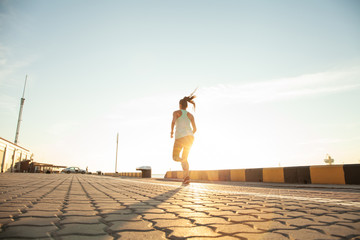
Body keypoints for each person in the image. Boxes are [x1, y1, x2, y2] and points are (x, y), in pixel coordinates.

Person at [171, 94, 197, 185]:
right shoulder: (190, 115)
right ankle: (186, 177)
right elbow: (195, 129)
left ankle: (185, 174)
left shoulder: (176, 112)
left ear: (180, 105)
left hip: (179, 138)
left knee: (175, 157)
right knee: (185, 158)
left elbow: (173, 122)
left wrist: (171, 132)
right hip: (190, 138)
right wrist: (189, 135)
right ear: (187, 106)